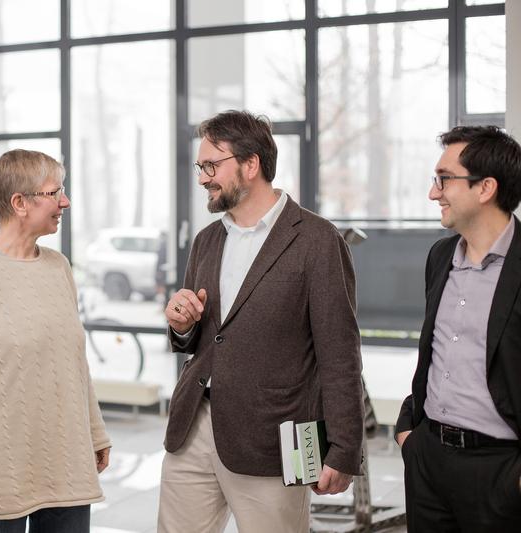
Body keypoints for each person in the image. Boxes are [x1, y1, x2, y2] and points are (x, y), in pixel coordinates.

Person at [158, 110, 364, 533]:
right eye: (200, 167)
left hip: (273, 435)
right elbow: (203, 338)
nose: (202, 178)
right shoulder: (207, 240)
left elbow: (339, 352)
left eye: (211, 165)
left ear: (251, 165)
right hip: (192, 429)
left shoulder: (316, 239)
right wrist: (182, 325)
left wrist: (344, 448)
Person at [0, 149, 111, 533]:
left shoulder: (58, 267)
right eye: (55, 192)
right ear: (19, 203)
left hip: (66, 467)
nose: (65, 201)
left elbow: (73, 361)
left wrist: (95, 431)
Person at [395, 125, 521, 532]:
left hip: (500, 473)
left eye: (444, 179)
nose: (434, 193)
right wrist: (409, 436)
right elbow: (434, 353)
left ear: (485, 188)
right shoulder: (441, 255)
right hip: (429, 461)